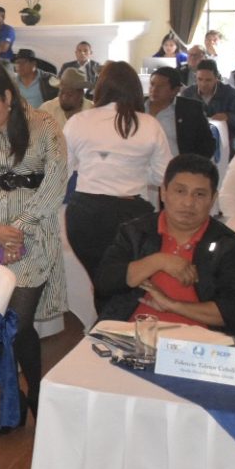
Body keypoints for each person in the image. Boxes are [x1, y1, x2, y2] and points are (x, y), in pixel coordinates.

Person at [0, 65, 69, 426]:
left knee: (18, 325)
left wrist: (18, 228)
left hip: (31, 239)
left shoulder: (44, 126)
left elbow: (56, 180)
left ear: (7, 97)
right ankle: (11, 402)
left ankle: (37, 394)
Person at [95, 154, 235, 336]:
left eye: (199, 194)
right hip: (131, 336)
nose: (188, 203)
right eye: (180, 191)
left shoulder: (230, 246)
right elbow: (104, 283)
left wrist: (172, 305)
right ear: (163, 192)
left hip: (201, 343)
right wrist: (158, 261)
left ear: (213, 199)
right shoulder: (135, 233)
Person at [62, 61, 172, 295]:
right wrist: (135, 169)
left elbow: (62, 171)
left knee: (100, 280)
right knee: (126, 283)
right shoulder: (149, 124)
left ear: (100, 88)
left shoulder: (78, 121)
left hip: (84, 213)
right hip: (131, 213)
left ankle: (103, 315)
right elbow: (164, 175)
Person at [145, 66, 215, 160]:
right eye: (152, 84)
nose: (154, 90)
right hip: (140, 165)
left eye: (161, 86)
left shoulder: (190, 110)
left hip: (176, 165)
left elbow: (207, 146)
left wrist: (189, 165)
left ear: (175, 90)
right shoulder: (137, 107)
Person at [183, 60, 235, 155]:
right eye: (200, 79)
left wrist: (228, 117)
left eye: (208, 80)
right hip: (197, 135)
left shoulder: (231, 93)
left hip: (229, 135)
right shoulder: (188, 94)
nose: (203, 84)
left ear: (216, 78)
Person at [40, 67, 87, 131]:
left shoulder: (92, 111)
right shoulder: (47, 109)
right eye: (62, 92)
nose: (64, 97)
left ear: (81, 94)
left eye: (69, 94)